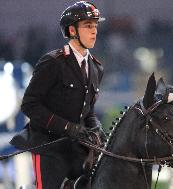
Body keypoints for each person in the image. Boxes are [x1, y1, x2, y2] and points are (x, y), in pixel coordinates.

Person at [10, 1, 106, 189]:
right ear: (72, 31)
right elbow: (29, 104)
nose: (94, 31)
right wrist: (68, 127)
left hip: (78, 149)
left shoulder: (96, 68)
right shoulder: (53, 62)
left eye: (95, 26)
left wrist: (97, 129)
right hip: (48, 148)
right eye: (88, 26)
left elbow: (88, 112)